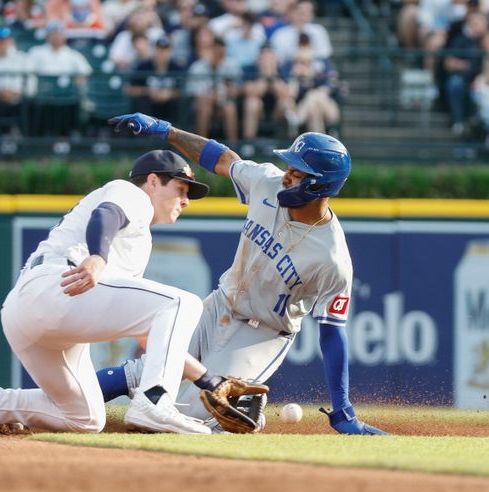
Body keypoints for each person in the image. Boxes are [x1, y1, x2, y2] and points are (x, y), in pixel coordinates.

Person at [103, 112, 389, 435]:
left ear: (320, 185)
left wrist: (343, 409)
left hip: (261, 335)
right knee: (144, 373)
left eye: (297, 173)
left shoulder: (332, 258)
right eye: (289, 168)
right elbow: (220, 157)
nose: (286, 176)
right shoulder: (266, 181)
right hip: (219, 307)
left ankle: (242, 413)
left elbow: (332, 333)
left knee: (187, 413)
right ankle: (51, 406)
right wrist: (166, 129)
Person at [0, 150, 213, 436]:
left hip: (32, 314)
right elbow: (106, 215)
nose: (186, 201)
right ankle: (155, 401)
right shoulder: (131, 193)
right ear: (152, 181)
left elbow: (149, 334)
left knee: (85, 418)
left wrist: (208, 381)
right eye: (180, 188)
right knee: (182, 302)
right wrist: (98, 257)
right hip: (59, 287)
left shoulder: (138, 240)